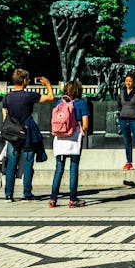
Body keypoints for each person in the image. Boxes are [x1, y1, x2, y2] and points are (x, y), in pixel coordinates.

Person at [2, 69, 54, 202]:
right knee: (28, 163)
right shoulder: (29, 96)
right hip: (27, 132)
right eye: (28, 79)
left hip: (13, 134)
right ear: (24, 81)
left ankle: (8, 194)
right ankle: (27, 193)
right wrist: (47, 84)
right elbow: (50, 98)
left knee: (11, 165)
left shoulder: (7, 97)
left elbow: (5, 117)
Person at [50, 80, 90, 208]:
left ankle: (53, 199)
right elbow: (86, 124)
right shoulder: (81, 103)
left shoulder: (59, 102)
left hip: (59, 139)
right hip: (74, 138)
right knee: (73, 169)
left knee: (59, 169)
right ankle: (73, 200)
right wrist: (82, 131)